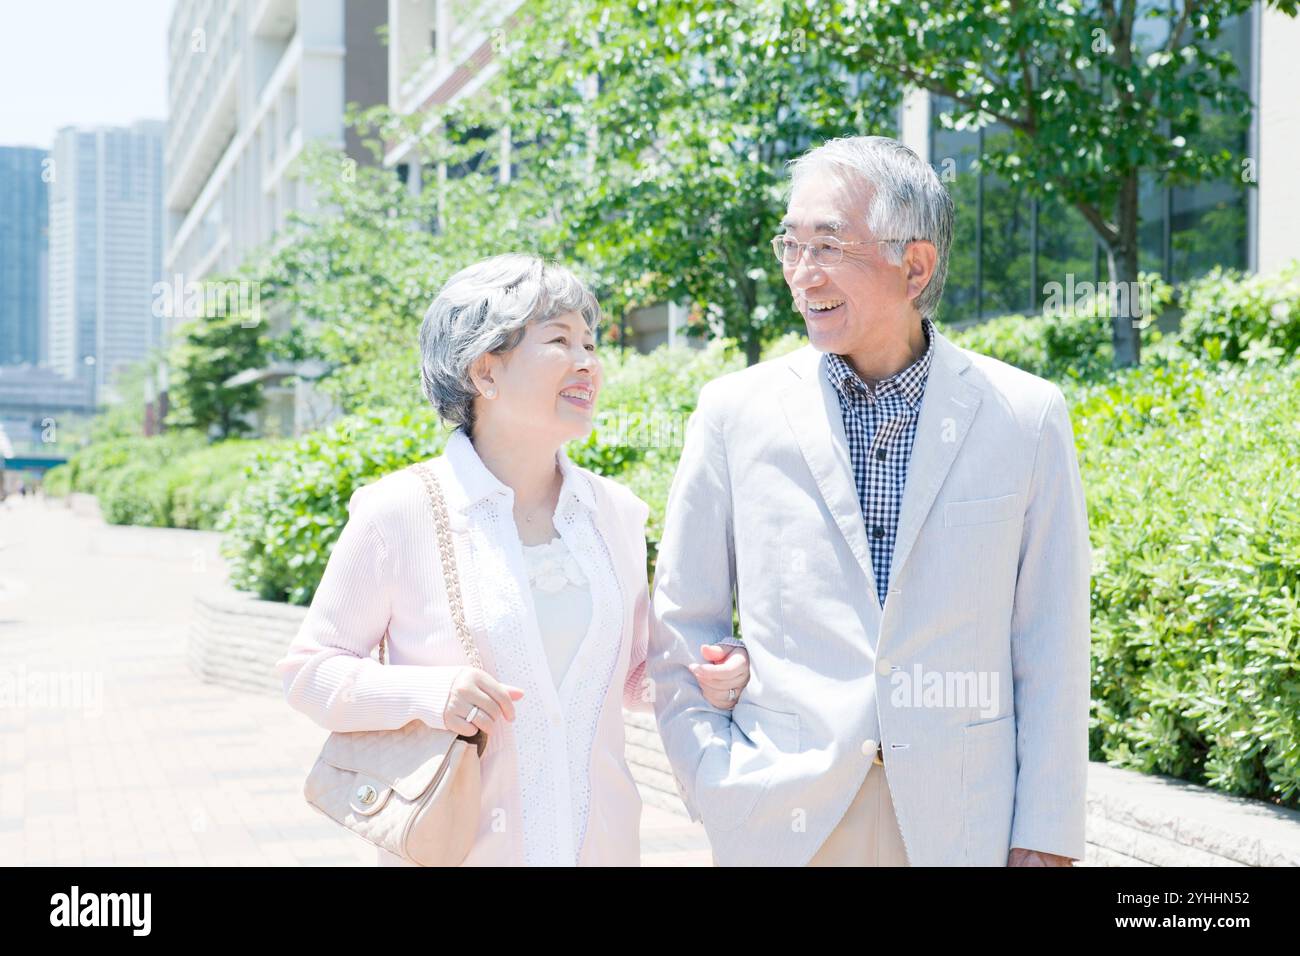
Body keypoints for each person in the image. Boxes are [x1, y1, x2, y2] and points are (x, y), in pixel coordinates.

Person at [649, 135, 1091, 867]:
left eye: (827, 244)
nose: (800, 272)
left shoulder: (1024, 415)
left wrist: (1044, 838)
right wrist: (715, 783)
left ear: (913, 265)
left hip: (961, 829)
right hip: (785, 822)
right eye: (789, 244)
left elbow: (1051, 640)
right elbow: (681, 624)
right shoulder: (733, 413)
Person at [276, 254, 749, 866]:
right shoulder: (399, 511)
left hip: (600, 850)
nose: (588, 363)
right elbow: (309, 674)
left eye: (590, 343)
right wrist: (430, 692)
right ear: (486, 373)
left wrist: (708, 675)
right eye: (559, 340)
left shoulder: (616, 513)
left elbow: (633, 675)